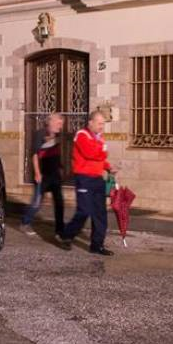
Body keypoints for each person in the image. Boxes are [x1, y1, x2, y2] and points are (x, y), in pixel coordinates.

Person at [58, 110, 118, 256]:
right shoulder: (82, 135)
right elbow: (90, 153)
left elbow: (99, 158)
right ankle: (66, 235)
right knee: (84, 211)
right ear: (90, 122)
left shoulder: (100, 138)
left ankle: (97, 245)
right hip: (84, 178)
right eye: (99, 123)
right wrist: (103, 152)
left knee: (100, 213)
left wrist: (109, 167)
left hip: (97, 179)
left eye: (103, 124)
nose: (101, 126)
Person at [20, 112, 65, 237]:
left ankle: (60, 230)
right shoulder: (39, 134)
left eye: (61, 124)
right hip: (43, 175)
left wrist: (60, 167)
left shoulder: (57, 135)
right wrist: (37, 172)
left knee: (59, 202)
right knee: (37, 202)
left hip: (55, 175)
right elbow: (34, 154)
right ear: (50, 122)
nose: (60, 127)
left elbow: (56, 153)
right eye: (58, 123)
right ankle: (25, 222)